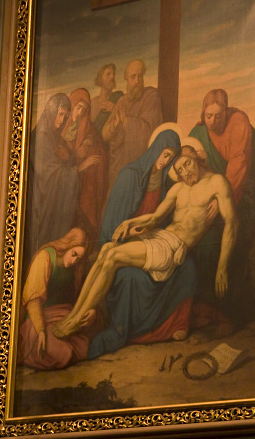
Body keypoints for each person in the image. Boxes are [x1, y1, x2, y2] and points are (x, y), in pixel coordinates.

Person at [53, 146, 237, 357]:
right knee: (107, 249)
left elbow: (232, 224)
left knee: (113, 257)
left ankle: (78, 319)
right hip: (160, 237)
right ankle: (75, 313)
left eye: (187, 164)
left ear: (196, 158)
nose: (185, 172)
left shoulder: (216, 183)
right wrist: (129, 222)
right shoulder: (178, 189)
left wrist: (222, 267)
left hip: (173, 247)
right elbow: (155, 218)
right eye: (179, 169)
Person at [96, 128, 198, 355]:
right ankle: (127, 331)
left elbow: (160, 219)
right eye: (165, 154)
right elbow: (112, 225)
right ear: (155, 149)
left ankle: (175, 325)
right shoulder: (130, 175)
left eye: (171, 158)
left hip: (152, 240)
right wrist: (130, 234)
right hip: (123, 241)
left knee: (188, 266)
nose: (166, 161)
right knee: (130, 277)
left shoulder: (164, 183)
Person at [189, 88, 255, 327]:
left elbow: (239, 165)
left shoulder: (238, 122)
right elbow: (187, 160)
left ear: (226, 112)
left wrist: (221, 198)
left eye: (218, 116)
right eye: (208, 116)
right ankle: (206, 308)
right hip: (213, 193)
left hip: (242, 191)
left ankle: (232, 314)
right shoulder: (199, 132)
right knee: (204, 243)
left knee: (236, 246)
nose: (212, 121)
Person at [18, 228, 103, 370]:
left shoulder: (77, 268)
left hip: (64, 317)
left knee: (84, 346)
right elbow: (33, 301)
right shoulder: (45, 258)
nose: (74, 261)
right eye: (74, 254)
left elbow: (84, 297)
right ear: (66, 246)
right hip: (38, 321)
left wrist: (91, 312)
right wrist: (41, 332)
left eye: (78, 258)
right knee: (62, 352)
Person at [23, 93, 80, 268]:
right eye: (60, 114)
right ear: (51, 112)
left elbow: (64, 159)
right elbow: (48, 173)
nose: (62, 120)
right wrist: (77, 171)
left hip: (49, 201)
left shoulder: (54, 137)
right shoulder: (42, 136)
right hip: (41, 204)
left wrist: (69, 160)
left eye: (65, 116)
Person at [102, 59, 163, 189]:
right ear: (127, 79)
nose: (137, 81)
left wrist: (126, 121)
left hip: (137, 161)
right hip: (118, 165)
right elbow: (105, 133)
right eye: (133, 77)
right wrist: (115, 125)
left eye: (140, 76)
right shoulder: (122, 101)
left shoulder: (151, 96)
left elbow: (150, 129)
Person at [62, 88, 108, 241]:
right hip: (64, 182)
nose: (80, 112)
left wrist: (88, 148)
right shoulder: (60, 126)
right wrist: (76, 159)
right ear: (72, 105)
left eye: (84, 109)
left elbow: (99, 151)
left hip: (82, 184)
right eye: (78, 107)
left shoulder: (89, 128)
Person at [90, 63, 124, 134]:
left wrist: (114, 109)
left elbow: (126, 122)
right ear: (100, 78)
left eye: (113, 74)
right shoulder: (92, 103)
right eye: (108, 74)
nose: (112, 77)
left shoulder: (119, 97)